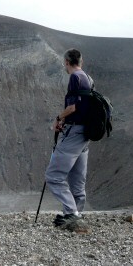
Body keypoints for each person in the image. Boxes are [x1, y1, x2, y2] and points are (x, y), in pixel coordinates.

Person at [45, 48, 92, 226]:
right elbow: (82, 109)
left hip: (74, 134)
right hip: (85, 135)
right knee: (77, 180)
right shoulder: (88, 78)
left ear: (66, 62)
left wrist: (59, 119)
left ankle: (72, 214)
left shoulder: (74, 78)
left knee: (53, 176)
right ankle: (76, 214)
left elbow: (72, 108)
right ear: (81, 61)